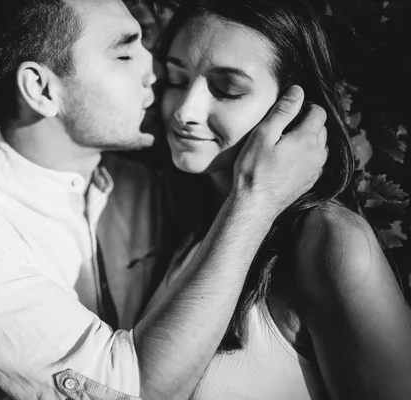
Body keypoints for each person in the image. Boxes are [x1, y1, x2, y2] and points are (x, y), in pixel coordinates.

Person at [0, 0, 328, 399]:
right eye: (123, 52)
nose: (154, 72)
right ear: (41, 89)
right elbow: (128, 391)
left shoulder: (149, 187)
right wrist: (256, 200)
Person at [142, 1, 411, 399]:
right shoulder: (182, 213)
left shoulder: (329, 242)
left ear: (292, 107)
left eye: (227, 89)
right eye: (176, 79)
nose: (185, 111)